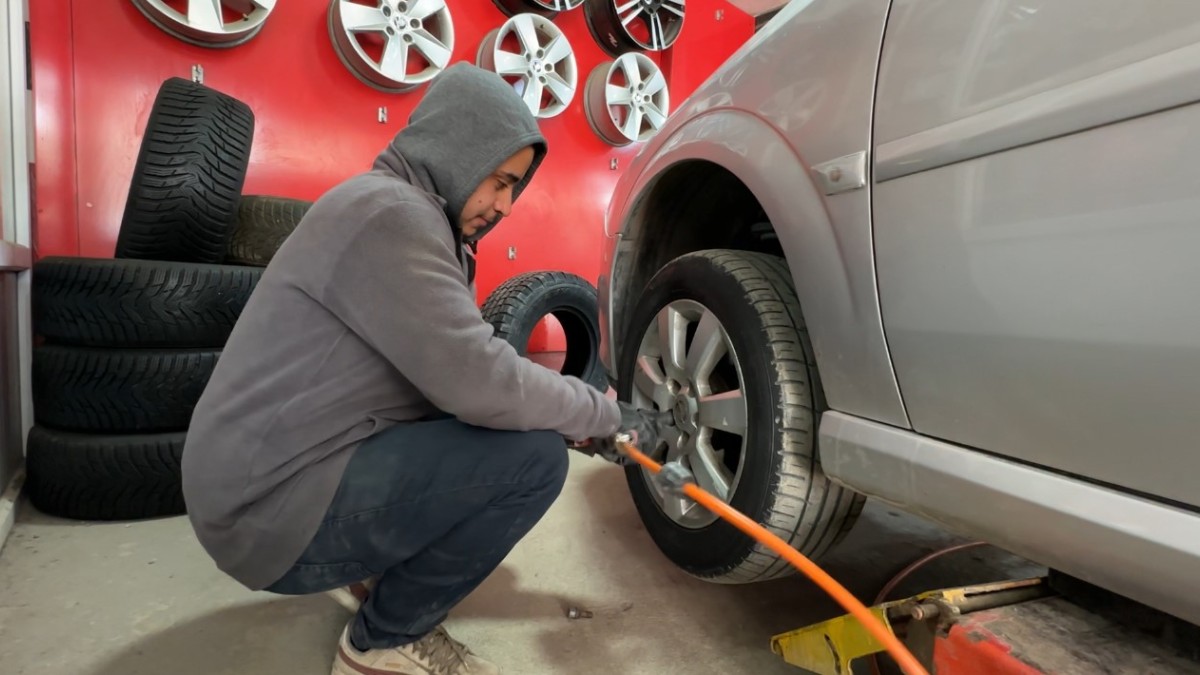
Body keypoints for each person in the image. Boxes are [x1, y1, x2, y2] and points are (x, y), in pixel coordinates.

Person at [180, 63, 660, 675]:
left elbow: (452, 386)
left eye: (515, 188)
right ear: (458, 150)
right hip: (264, 513)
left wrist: (578, 421)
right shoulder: (392, 217)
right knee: (534, 463)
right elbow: (482, 383)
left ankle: (373, 574)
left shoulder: (404, 216)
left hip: (259, 483)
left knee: (509, 432)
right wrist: (605, 412)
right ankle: (382, 639)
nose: (505, 206)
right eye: (499, 181)